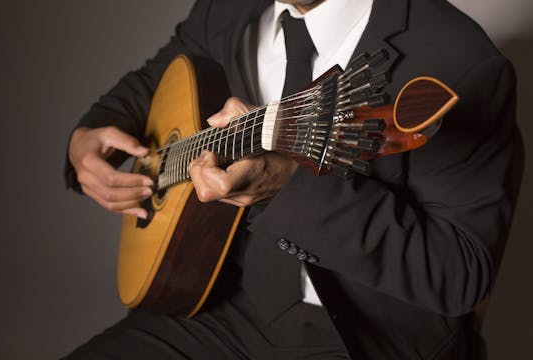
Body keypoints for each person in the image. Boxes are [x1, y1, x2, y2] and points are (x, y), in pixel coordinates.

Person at [64, 0, 518, 359]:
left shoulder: (456, 58)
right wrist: (88, 134)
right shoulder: (229, 8)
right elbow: (159, 74)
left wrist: (290, 187)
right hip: (219, 301)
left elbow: (460, 272)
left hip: (359, 334)